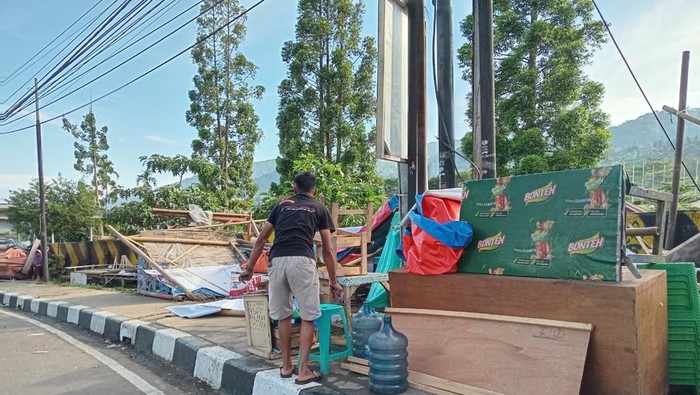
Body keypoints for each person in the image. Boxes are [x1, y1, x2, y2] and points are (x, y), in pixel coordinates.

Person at [240, 172, 343, 385]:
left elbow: (261, 239)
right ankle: (303, 371)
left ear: (294, 187)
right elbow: (328, 250)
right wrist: (333, 282)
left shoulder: (282, 205)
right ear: (314, 190)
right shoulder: (319, 209)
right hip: (302, 262)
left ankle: (286, 366)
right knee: (307, 317)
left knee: (283, 316)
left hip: (277, 261)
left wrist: (250, 268)